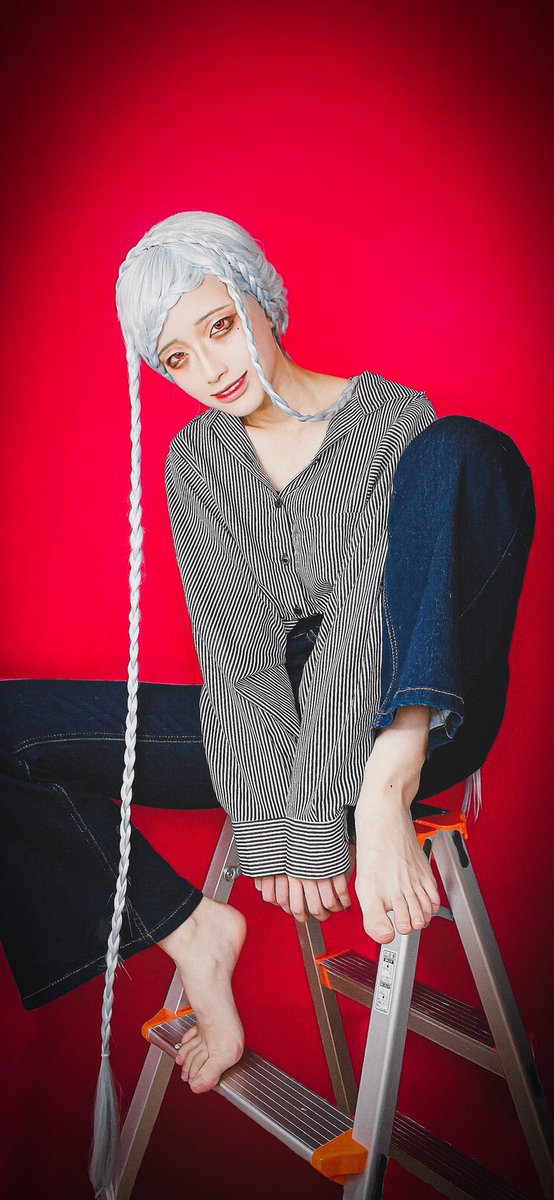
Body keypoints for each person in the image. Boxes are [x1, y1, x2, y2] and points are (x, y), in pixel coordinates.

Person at [0, 211, 535, 1198]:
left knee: (463, 450)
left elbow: (359, 626)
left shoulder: (391, 421)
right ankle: (191, 931)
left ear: (259, 294)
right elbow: (239, 660)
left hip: (411, 701)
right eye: (175, 357)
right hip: (267, 716)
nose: (209, 368)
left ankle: (389, 770)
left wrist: (333, 811)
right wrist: (273, 822)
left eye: (218, 325)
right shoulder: (195, 463)